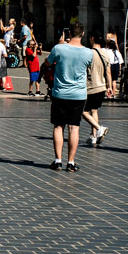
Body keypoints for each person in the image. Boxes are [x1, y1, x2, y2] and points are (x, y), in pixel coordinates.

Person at [42, 23, 92, 171]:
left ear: (68, 33)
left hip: (60, 93)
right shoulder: (89, 53)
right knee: (74, 127)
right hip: (79, 94)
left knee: (58, 126)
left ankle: (58, 160)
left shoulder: (59, 48)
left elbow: (47, 62)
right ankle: (71, 162)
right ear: (83, 34)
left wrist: (60, 45)